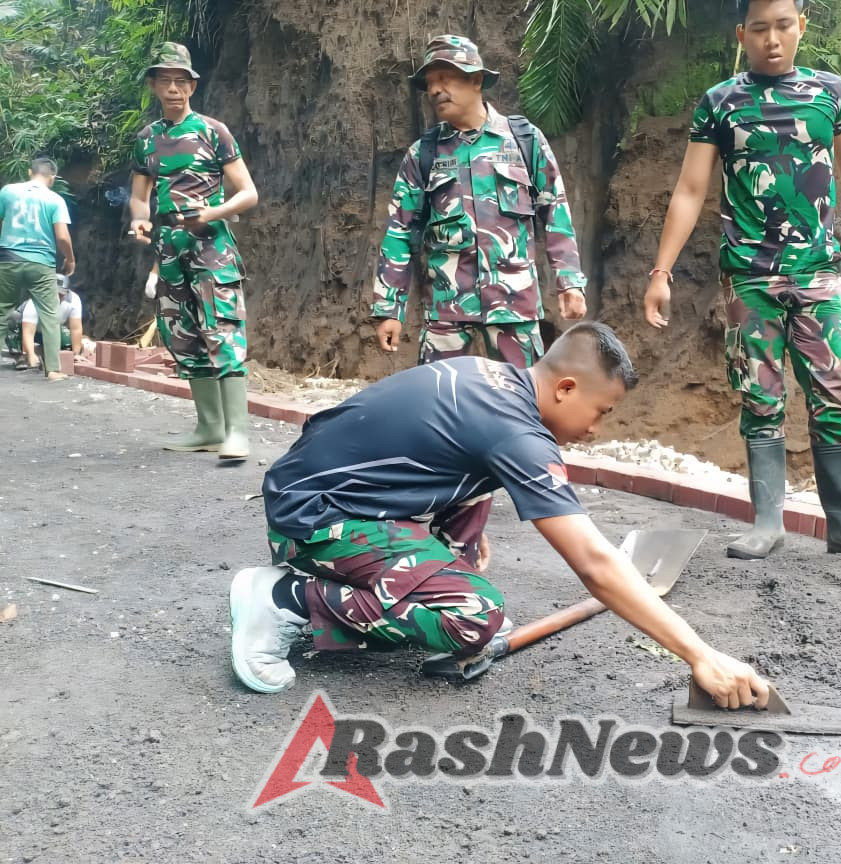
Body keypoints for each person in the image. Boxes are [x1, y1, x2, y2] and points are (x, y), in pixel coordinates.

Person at [230, 322, 773, 710]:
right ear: (565, 388)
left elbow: (446, 452)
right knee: (472, 616)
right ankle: (287, 601)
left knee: (458, 576)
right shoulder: (517, 433)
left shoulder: (492, 379)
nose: (596, 429)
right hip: (315, 518)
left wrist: (463, 535)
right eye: (601, 411)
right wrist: (699, 654)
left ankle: (348, 589)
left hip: (316, 495)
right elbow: (592, 562)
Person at [642, 0, 841, 569]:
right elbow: (690, 190)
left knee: (833, 392)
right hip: (749, 277)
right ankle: (768, 522)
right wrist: (660, 273)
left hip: (819, 274)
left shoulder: (830, 93)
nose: (772, 39)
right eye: (760, 28)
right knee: (759, 396)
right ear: (743, 35)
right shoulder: (721, 103)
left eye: (783, 26)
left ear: (801, 28)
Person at [372, 35, 587, 369]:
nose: (435, 90)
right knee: (438, 406)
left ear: (475, 80)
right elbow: (400, 231)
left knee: (519, 406)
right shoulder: (423, 154)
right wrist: (389, 308)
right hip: (446, 313)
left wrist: (569, 282)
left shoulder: (523, 140)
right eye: (430, 82)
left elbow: (555, 211)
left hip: (514, 309)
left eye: (445, 78)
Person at [128, 42, 260, 459]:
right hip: (169, 249)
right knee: (183, 336)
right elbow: (138, 196)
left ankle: (237, 431)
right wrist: (139, 220)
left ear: (193, 86)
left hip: (212, 248)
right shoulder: (146, 139)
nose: (173, 88)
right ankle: (209, 427)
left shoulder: (212, 131)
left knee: (222, 331)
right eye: (165, 80)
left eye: (180, 80)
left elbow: (249, 193)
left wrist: (213, 212)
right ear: (153, 85)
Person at [0, 157, 75, 381]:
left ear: (29, 171)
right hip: (41, 263)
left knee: (1, 311)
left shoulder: (7, 191)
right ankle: (53, 369)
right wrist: (70, 259)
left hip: (8, 258)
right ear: (52, 177)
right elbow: (62, 236)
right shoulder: (55, 199)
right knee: (50, 314)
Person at [4, 275, 89, 370]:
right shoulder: (35, 301)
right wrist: (30, 355)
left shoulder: (74, 300)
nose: (56, 298)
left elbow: (76, 328)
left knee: (68, 344)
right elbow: (28, 332)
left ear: (66, 293)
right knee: (14, 322)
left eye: (60, 294)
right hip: (24, 328)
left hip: (49, 329)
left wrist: (75, 354)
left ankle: (40, 351)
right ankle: (22, 354)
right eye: (53, 293)